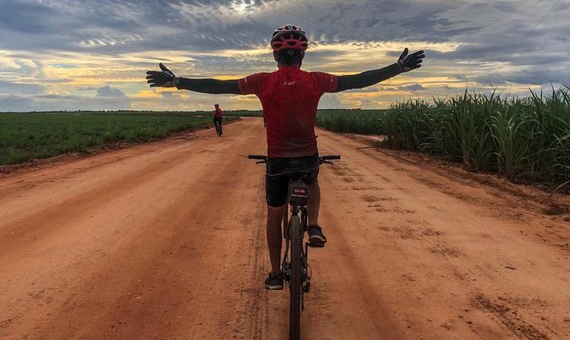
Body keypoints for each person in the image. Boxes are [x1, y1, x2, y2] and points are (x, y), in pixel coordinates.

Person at [146, 24, 425, 290]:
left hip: (278, 160)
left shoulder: (262, 81)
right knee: (313, 180)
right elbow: (358, 81)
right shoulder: (317, 80)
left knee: (274, 215)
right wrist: (398, 68)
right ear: (302, 55)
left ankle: (276, 275)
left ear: (275, 55)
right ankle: (313, 226)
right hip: (306, 156)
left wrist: (177, 81)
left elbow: (219, 86)